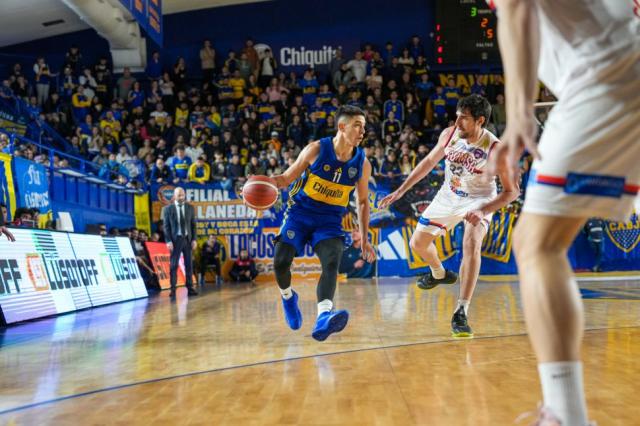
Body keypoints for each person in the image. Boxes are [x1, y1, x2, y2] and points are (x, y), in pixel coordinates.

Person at [488, 1, 640, 424]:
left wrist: (519, 113)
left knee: (538, 245)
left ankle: (566, 416)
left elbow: (516, 7)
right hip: (619, 71)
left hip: (606, 80)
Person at [379, 94, 519, 337]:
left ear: (480, 121)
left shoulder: (496, 150)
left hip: (479, 198)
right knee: (417, 244)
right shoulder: (450, 134)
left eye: (464, 118)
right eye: (457, 116)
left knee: (471, 242)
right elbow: (428, 162)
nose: (457, 122)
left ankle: (461, 310)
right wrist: (401, 190)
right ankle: (439, 273)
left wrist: (483, 210)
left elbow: (512, 191)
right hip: (449, 194)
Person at [270, 105, 375, 342]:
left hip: (329, 220)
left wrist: (364, 239)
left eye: (364, 127)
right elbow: (285, 179)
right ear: (342, 126)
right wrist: (259, 183)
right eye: (357, 125)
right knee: (280, 262)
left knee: (331, 262)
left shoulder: (362, 163)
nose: (362, 131)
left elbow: (362, 202)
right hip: (300, 213)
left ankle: (323, 316)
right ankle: (288, 298)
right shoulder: (316, 149)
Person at [162, 187, 198, 299]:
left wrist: (194, 239)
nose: (181, 197)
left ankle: (190, 288)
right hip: (175, 240)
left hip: (187, 239)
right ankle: (173, 289)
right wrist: (168, 241)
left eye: (183, 195)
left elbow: (193, 225)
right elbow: (166, 227)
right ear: (174, 196)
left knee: (189, 265)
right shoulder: (167, 209)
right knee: (173, 265)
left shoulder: (190, 208)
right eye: (179, 195)